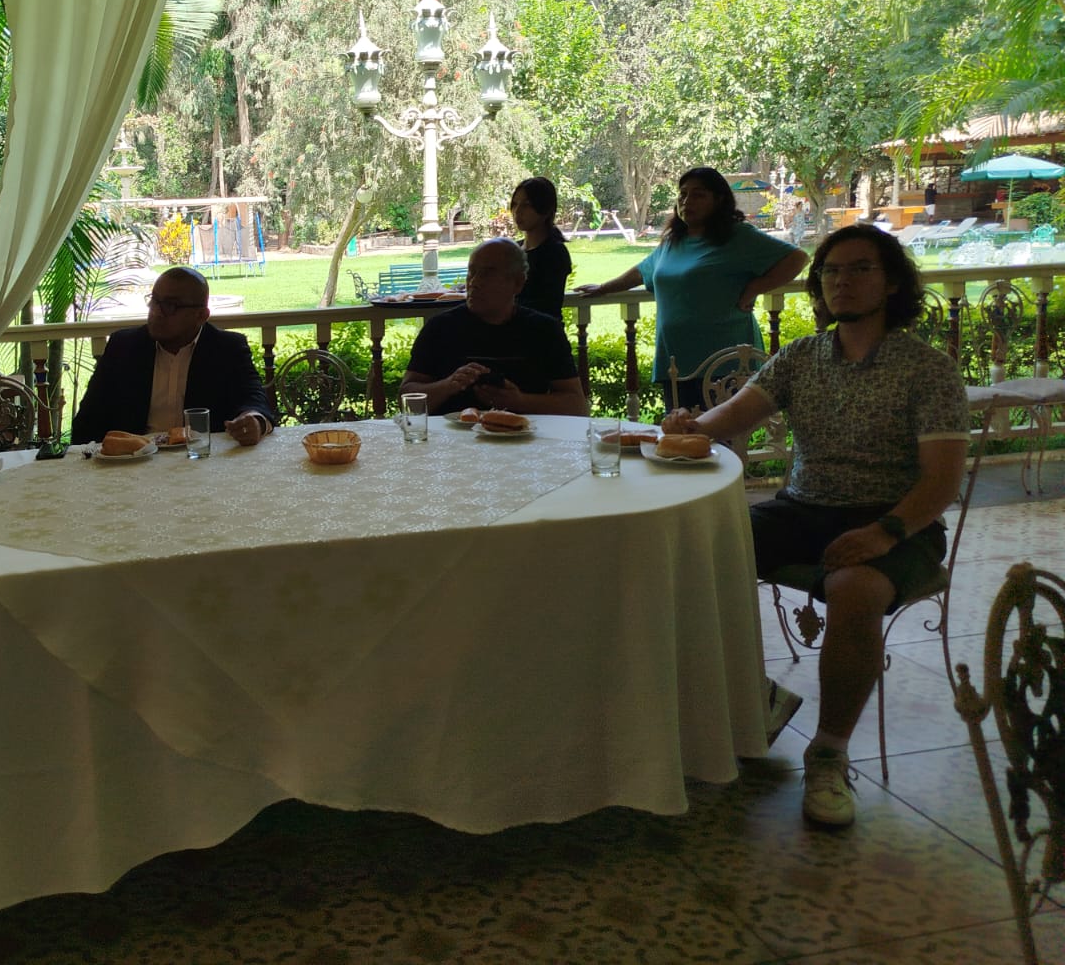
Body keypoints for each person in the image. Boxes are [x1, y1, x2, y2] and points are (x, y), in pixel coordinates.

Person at [662, 226, 967, 827]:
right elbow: (728, 419)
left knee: (856, 589)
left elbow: (941, 481)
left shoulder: (927, 369)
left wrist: (883, 533)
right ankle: (757, 700)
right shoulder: (802, 356)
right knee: (689, 551)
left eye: (860, 269)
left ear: (893, 283)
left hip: (897, 519)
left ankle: (828, 752)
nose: (842, 281)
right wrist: (687, 425)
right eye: (831, 271)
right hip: (803, 508)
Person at [576, 167, 808, 410]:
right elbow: (643, 271)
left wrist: (755, 287)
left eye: (698, 195)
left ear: (719, 200)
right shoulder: (674, 240)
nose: (687, 201)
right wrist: (603, 288)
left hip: (723, 364)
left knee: (718, 432)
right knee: (679, 429)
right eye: (683, 194)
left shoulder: (737, 236)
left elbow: (797, 258)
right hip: (676, 360)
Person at [71, 266, 276, 445]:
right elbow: (87, 420)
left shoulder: (227, 348)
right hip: (133, 462)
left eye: (170, 306)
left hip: (202, 460)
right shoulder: (123, 346)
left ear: (201, 316)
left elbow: (254, 400)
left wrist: (255, 420)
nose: (157, 312)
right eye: (154, 301)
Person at [399, 238, 589, 417]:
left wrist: (520, 401)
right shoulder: (440, 328)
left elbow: (577, 406)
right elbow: (405, 401)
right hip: (450, 437)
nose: (474, 282)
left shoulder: (543, 331)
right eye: (471, 272)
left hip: (522, 437)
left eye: (487, 273)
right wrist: (448, 385)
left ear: (518, 283)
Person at [509, 176, 572, 319]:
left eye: (527, 205)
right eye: (515, 204)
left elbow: (545, 304)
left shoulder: (555, 253)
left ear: (546, 210)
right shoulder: (513, 250)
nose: (517, 211)